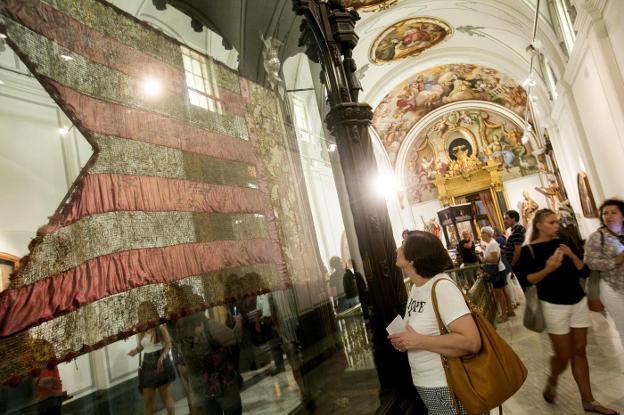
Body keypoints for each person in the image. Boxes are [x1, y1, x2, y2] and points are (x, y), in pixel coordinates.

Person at [516, 209, 617, 415]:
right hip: (553, 305)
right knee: (563, 354)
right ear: (539, 226)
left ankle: (589, 401)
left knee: (580, 350)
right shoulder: (528, 251)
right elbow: (527, 281)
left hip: (577, 301)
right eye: (552, 222)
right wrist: (548, 269)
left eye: (557, 222)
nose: (557, 226)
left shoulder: (563, 243)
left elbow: (584, 271)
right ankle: (553, 379)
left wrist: (572, 255)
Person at [389, 231, 481, 414]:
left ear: (414, 258)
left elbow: (471, 342)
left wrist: (417, 341)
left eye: (403, 245)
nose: (397, 249)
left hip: (447, 384)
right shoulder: (417, 287)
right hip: (427, 384)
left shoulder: (442, 288)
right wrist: (405, 340)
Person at [584, 199, 624, 348]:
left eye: (614, 212)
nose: (609, 216)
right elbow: (590, 261)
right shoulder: (597, 237)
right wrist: (616, 261)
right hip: (612, 288)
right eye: (605, 213)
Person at [128, 301, 176, 415]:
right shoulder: (141, 330)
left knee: (166, 397)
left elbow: (169, 344)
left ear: (151, 311)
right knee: (148, 400)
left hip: (161, 361)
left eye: (144, 311)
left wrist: (162, 357)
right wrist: (135, 351)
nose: (142, 314)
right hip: (147, 364)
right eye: (140, 312)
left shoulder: (159, 326)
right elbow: (142, 346)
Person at [481, 226, 513, 322]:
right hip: (499, 270)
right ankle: (510, 311)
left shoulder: (492, 244)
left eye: (482, 234)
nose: (481, 236)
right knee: (503, 292)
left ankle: (504, 315)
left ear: (487, 234)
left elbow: (494, 260)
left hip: (497, 271)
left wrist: (484, 259)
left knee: (500, 294)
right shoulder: (491, 243)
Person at [502, 210, 526, 289]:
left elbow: (517, 251)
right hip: (517, 265)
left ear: (514, 218)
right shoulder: (515, 230)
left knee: (522, 288)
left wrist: (512, 265)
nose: (505, 221)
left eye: (507, 218)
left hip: (517, 266)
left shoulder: (517, 231)